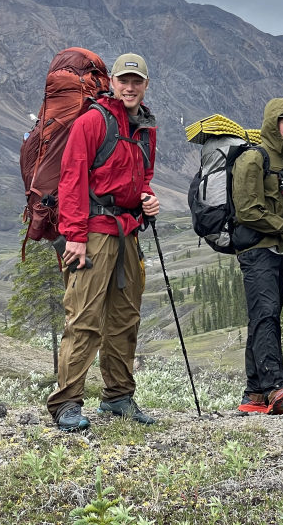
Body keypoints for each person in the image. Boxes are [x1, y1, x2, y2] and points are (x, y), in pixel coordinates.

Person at [46, 53, 160, 432]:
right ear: (111, 81)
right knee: (85, 318)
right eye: (124, 80)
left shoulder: (146, 126)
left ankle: (118, 397)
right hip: (93, 231)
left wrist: (147, 197)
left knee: (125, 317)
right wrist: (75, 237)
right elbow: (71, 178)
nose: (130, 87)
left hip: (127, 230)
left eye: (137, 81)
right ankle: (66, 404)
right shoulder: (93, 121)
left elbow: (144, 174)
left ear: (145, 84)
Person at [232, 98, 283, 415]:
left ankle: (254, 394)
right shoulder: (253, 159)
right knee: (266, 315)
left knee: (263, 317)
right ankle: (276, 386)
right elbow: (247, 210)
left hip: (278, 249)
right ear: (272, 124)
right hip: (255, 249)